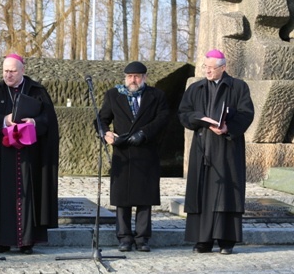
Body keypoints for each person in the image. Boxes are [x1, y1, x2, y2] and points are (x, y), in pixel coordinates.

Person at [0, 54, 59, 255]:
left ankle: (27, 241)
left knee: (28, 194)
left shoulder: (37, 91)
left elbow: (49, 120)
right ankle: (0, 241)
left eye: (12, 71)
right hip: (1, 156)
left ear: (22, 70)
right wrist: (5, 119)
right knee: (0, 195)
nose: (8, 75)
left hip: (30, 156)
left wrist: (34, 122)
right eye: (5, 71)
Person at [179, 49, 254, 255]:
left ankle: (226, 241)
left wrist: (228, 128)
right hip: (203, 148)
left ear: (223, 67)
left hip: (227, 149)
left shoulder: (238, 87)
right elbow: (183, 113)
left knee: (226, 194)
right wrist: (197, 118)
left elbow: (247, 113)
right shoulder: (196, 88)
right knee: (202, 193)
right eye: (206, 67)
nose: (208, 71)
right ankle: (202, 240)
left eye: (212, 68)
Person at [97, 61, 170, 252]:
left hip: (146, 151)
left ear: (144, 77)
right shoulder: (114, 95)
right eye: (130, 76)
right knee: (122, 197)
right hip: (123, 153)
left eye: (137, 76)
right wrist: (105, 133)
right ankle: (124, 237)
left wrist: (144, 133)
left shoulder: (156, 95)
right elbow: (101, 119)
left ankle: (142, 238)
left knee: (145, 197)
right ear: (125, 77)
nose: (133, 80)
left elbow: (162, 118)